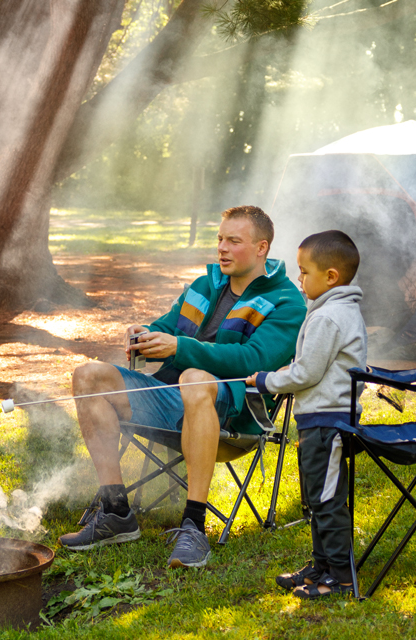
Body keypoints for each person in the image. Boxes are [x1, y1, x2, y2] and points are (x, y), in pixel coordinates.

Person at [60, 205, 306, 569]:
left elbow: (254, 359)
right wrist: (143, 334)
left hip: (231, 417)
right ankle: (115, 511)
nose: (221, 248)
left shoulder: (286, 301)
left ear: (261, 248)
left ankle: (194, 526)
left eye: (233, 241)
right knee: (88, 374)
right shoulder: (206, 284)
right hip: (168, 403)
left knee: (194, 378)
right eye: (220, 239)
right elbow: (168, 327)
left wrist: (181, 349)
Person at [249, 230, 366, 599]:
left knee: (328, 500)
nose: (299, 280)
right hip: (318, 421)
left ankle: (341, 577)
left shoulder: (328, 317)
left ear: (330, 277)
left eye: (304, 273)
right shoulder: (333, 312)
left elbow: (306, 373)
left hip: (328, 424)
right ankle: (322, 564)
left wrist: (267, 379)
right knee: (316, 498)